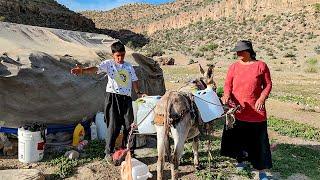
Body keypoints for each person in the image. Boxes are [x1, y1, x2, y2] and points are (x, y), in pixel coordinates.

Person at [71, 41, 144, 163]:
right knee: (113, 126)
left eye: (122, 55)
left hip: (126, 99)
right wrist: (83, 71)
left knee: (129, 126)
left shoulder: (129, 67)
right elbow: (96, 69)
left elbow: (134, 80)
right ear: (113, 55)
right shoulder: (109, 64)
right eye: (117, 56)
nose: (120, 58)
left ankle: (128, 151)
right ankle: (108, 152)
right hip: (113, 98)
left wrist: (138, 92)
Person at [220, 40, 272, 180]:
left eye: (240, 51)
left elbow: (268, 85)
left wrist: (262, 98)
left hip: (256, 111)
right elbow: (227, 85)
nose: (237, 54)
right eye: (236, 51)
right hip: (237, 110)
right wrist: (226, 95)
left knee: (259, 141)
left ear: (248, 51)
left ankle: (261, 170)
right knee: (239, 138)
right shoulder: (234, 67)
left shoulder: (261, 66)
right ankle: (240, 161)